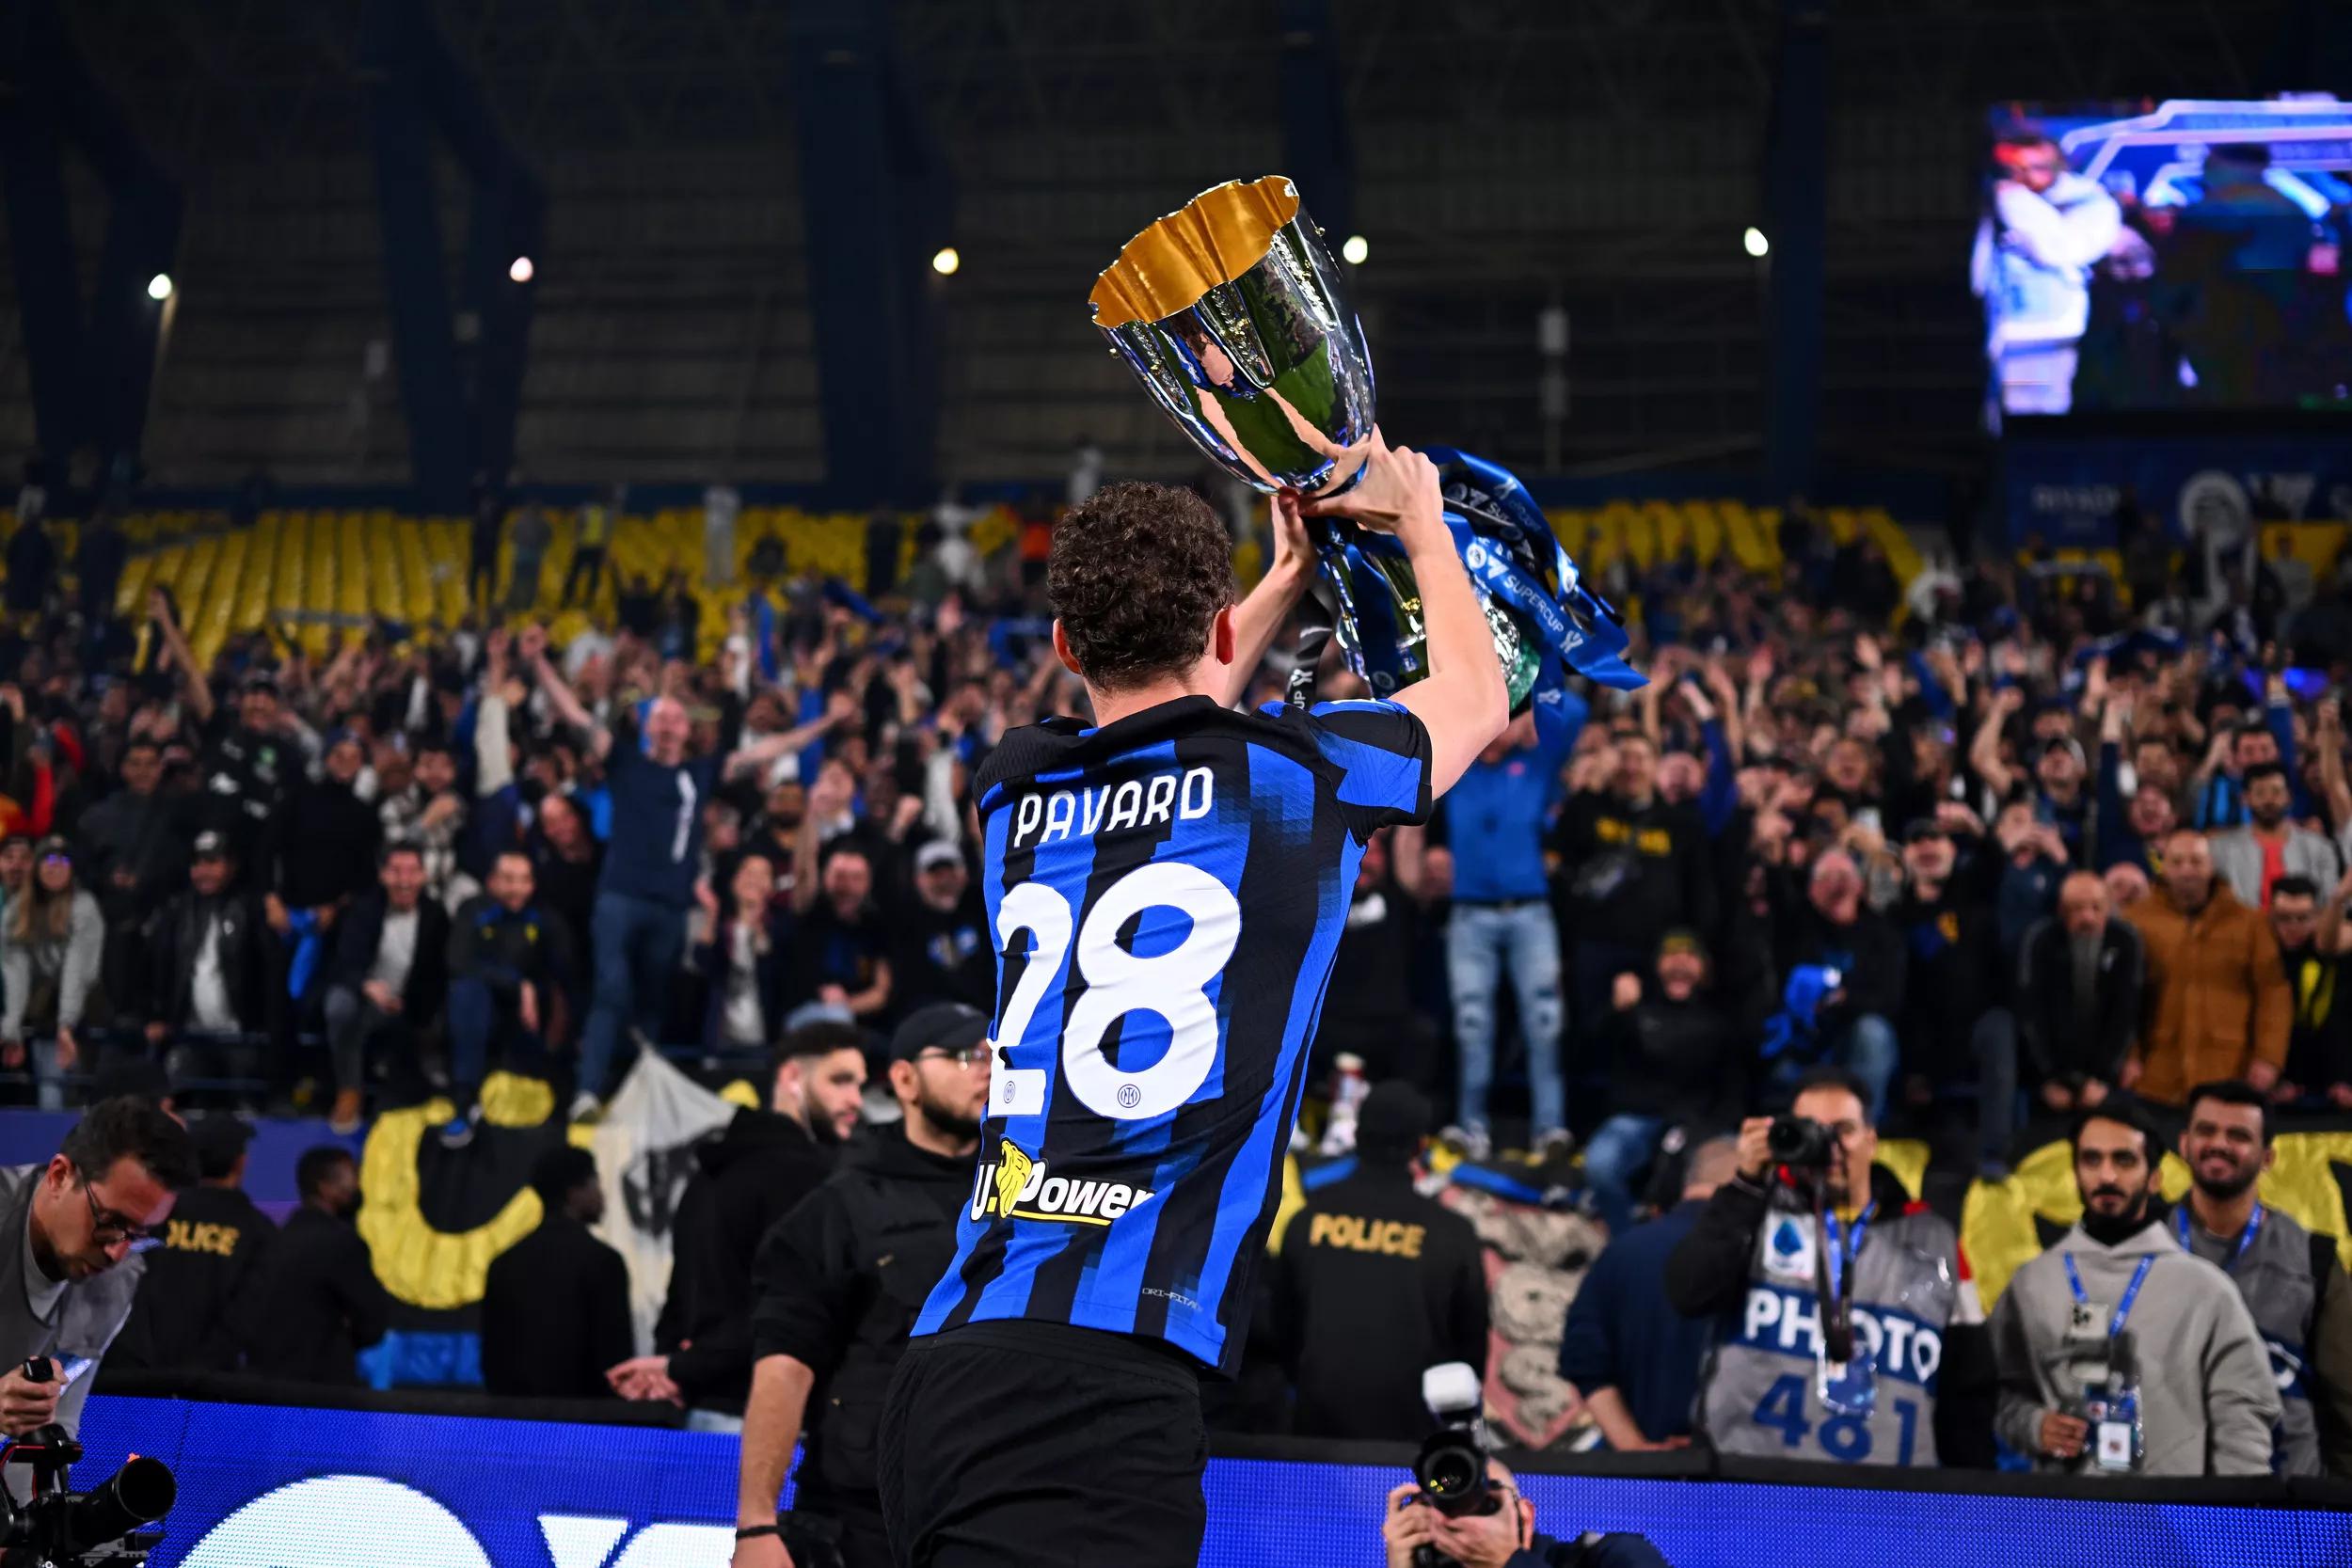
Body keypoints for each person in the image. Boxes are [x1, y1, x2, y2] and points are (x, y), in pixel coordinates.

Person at [882, 446, 1507, 1568]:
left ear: (1064, 645)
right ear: (1217, 629)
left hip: (943, 1361)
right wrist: (1421, 520)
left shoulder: (1010, 784)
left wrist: (1277, 583)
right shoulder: (1304, 776)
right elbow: (1475, 698)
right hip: (1101, 1379)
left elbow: (1164, 727)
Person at [730, 1003, 991, 1568]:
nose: (987, 1068)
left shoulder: (1028, 1201)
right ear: (904, 1080)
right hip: (863, 1521)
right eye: (966, 1055)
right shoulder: (838, 1205)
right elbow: (785, 1366)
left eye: (995, 1054)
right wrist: (756, 1524)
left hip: (992, 1516)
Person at [1663, 1065, 1994, 1466]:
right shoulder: (1752, 1212)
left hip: (1888, 1494)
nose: (1829, 1146)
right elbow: (1689, 1292)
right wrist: (1746, 1184)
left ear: (1872, 1140)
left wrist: (1970, 1492)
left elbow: (1969, 1389)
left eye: (1843, 1131)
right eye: (1813, 1130)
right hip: (1751, 1484)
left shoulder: (1935, 1240)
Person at [1989, 1101, 2278, 1476]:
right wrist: (2034, 1425)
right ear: (2075, 1173)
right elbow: (1995, 1398)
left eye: (2124, 1161)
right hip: (2064, 1509)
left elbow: (2243, 1420)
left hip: (2171, 1510)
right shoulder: (2032, 1283)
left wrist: (2233, 1510)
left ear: (2154, 1178)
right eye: (2092, 1160)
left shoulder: (2206, 1290)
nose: (2107, 1176)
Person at [632, 1019, 867, 1410]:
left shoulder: (706, 1175)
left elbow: (678, 1306)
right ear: (791, 1076)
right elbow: (797, 1311)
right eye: (841, 1081)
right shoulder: (811, 1179)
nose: (856, 1100)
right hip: (776, 1415)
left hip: (702, 1406)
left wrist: (678, 1368)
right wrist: (680, 1367)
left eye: (859, 1085)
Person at [1269, 1083, 1487, 1440]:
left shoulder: (1307, 1221)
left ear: (1356, 1136)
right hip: (1412, 1442)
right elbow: (1471, 1349)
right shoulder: (1452, 1232)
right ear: (1420, 1146)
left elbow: (1282, 1329)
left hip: (1317, 1440)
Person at [2173, 1079, 2352, 1477]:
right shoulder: (2142, 1246)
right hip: (2168, 1490)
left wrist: (2338, 1500)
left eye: (2238, 1135)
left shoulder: (2314, 1258)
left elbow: (2347, 1402)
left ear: (2268, 1157)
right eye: (2206, 1131)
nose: (2219, 1144)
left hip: (2283, 1494)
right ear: (2184, 1144)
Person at [0, 1099, 196, 1445]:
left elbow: (56, 1426)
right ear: (60, 1176)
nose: (116, 1253)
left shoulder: (116, 1281)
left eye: (138, 1234)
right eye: (110, 1222)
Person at [1435, 711, 1577, 1160]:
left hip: (1530, 911)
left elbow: (1575, 715)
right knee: (1471, 1024)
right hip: (1469, 914)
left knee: (1545, 1021)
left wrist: (1528, 708)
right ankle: (1471, 1127)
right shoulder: (1455, 767)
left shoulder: (1535, 764)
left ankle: (1549, 1129)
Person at [1559, 1137, 1740, 1451]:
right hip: (1742, 1470)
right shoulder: (1759, 1257)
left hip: (1641, 1469)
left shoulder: (1622, 1251)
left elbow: (1583, 1362)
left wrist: (1635, 1449)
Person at [1581, 931, 1738, 1235]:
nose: (1680, 962)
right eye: (1671, 955)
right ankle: (1628, 1240)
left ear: (1705, 970)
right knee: (1600, 1164)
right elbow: (1586, 1053)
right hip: (1637, 1119)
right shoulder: (1636, 1012)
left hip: (1698, 1124)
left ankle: (1689, 1245)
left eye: (1690, 956)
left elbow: (1733, 1092)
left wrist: (1704, 1130)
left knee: (1725, 1164)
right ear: (1657, 966)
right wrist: (1617, 1012)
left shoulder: (1721, 1023)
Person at [2122, 828, 2290, 1106]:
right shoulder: (2135, 921)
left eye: (2196, 861)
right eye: (2177, 862)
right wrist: (2128, 1057)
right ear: (2163, 867)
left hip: (2229, 1072)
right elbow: (2122, 999)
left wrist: (2268, 1058)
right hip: (2156, 1077)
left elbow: (2273, 992)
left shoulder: (2250, 922)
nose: (2187, 870)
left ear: (2211, 866)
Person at [108, 1114, 275, 1375]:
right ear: (240, 1163)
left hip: (143, 1379)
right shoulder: (259, 1231)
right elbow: (251, 1312)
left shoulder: (153, 1216)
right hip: (214, 1384)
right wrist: (201, 1370)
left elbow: (125, 1290)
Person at [481, 1144, 633, 1399]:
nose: (601, 1194)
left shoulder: (504, 1264)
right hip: (586, 1418)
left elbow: (493, 1359)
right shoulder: (603, 1261)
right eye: (594, 1183)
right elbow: (615, 1361)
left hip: (516, 1416)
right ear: (573, 1193)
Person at [443, 850, 577, 1141]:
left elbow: (563, 974)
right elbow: (458, 961)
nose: (516, 888)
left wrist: (544, 1001)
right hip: (483, 1013)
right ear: (491, 881)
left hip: (531, 1018)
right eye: (507, 879)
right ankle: (464, 1103)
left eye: (523, 880)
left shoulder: (546, 918)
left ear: (532, 884)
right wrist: (518, 984)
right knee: (467, 991)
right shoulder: (473, 910)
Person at [320, 844, 451, 1132]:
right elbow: (342, 963)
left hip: (413, 1007)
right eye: (396, 871)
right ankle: (349, 1091)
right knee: (340, 1005)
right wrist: (367, 985)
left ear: (424, 875)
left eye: (412, 872)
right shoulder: (363, 909)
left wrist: (410, 1002)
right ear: (382, 875)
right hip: (367, 1001)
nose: (404, 880)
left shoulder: (435, 915)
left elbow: (438, 975)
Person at [1765, 849, 1905, 1119]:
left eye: (1843, 876)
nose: (1835, 885)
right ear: (1811, 890)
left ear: (1860, 886)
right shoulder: (1795, 929)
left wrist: (1844, 999)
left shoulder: (1882, 934)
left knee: (1873, 1033)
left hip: (1856, 1036)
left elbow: (1891, 998)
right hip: (1807, 1038)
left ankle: (1860, 1129)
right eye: (1825, 877)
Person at [241, 1145, 390, 1386]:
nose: (358, 1186)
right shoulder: (341, 1243)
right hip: (323, 1388)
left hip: (267, 1386)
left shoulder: (277, 1238)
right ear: (325, 1187)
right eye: (352, 1176)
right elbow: (373, 1322)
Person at [143, 832, 276, 1094]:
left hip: (241, 1034)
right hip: (190, 1034)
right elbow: (160, 967)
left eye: (212, 862)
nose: (203, 871)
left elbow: (268, 974)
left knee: (247, 1100)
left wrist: (264, 1028)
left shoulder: (251, 910)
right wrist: (158, 1015)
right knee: (173, 1093)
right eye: (198, 863)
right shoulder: (177, 910)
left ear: (231, 865)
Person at [2014, 871, 2145, 1118]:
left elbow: (2127, 1012)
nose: (2087, 917)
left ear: (2109, 908)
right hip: (2049, 1078)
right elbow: (2032, 1014)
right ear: (2061, 910)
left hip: (2105, 1078)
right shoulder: (2041, 939)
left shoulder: (2126, 939)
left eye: (2096, 907)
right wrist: (2047, 1078)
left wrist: (2103, 1078)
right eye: (2077, 908)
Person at [1379, 1459, 1670, 1568]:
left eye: (1485, 1505)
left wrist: (1507, 1561)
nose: (1468, 1525)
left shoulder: (1613, 1557)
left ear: (1525, 1517)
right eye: (1447, 1511)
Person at [0, 837, 103, 1110]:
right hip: (45, 1015)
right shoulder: (18, 910)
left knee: (82, 1094)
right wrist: (12, 1027)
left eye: (63, 860)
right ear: (37, 867)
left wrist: (66, 1025)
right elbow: (16, 973)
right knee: (49, 1094)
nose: (55, 867)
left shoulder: (84, 906)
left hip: (87, 1013)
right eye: (48, 860)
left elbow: (77, 970)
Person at [2268, 876, 2352, 1108]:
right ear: (2270, 915)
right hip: (2281, 1076)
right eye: (2284, 918)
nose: (2293, 927)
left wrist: (2338, 900)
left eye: (2303, 918)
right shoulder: (2262, 949)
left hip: (2337, 1076)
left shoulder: (2334, 944)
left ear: (2317, 916)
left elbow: (2329, 943)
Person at [2208, 763, 2340, 910]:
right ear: (2245, 799)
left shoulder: (2320, 848)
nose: (2269, 800)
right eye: (2260, 793)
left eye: (2276, 792)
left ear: (2289, 797)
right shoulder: (2220, 849)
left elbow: (2331, 905)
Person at [893, 840, 992, 1013]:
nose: (945, 882)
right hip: (931, 1018)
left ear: (964, 876)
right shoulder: (904, 925)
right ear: (918, 880)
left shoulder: (984, 912)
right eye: (936, 874)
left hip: (988, 1015)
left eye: (951, 873)